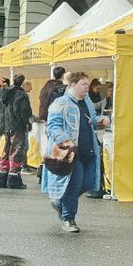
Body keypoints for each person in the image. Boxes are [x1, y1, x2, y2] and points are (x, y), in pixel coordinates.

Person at [42, 70, 108, 233]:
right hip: (71, 154)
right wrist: (65, 140)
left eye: (87, 84)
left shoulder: (87, 102)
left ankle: (61, 202)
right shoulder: (61, 102)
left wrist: (101, 121)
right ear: (72, 85)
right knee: (74, 184)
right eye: (83, 84)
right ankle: (68, 218)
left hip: (89, 151)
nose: (87, 87)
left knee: (90, 182)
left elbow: (92, 120)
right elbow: (53, 126)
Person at [0, 73, 32, 189]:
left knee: (5, 152)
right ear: (22, 83)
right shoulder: (21, 95)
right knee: (16, 152)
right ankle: (13, 179)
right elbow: (24, 113)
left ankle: (1, 178)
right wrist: (26, 124)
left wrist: (0, 124)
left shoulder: (3, 93)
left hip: (4, 127)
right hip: (17, 127)